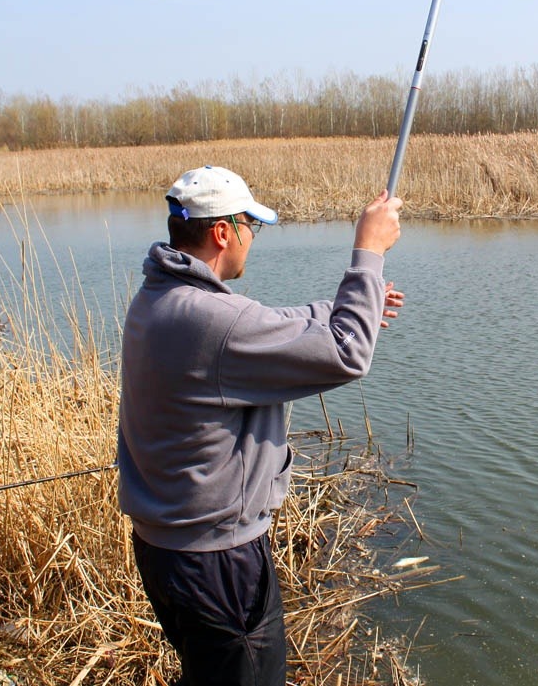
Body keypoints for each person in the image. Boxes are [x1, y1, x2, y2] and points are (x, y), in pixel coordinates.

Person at [116, 164, 403, 685]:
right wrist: (370, 254)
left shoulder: (158, 298)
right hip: (219, 561)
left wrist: (346, 306)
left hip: (166, 551)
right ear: (223, 232)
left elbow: (259, 325)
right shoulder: (214, 321)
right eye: (252, 227)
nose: (254, 240)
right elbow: (347, 353)